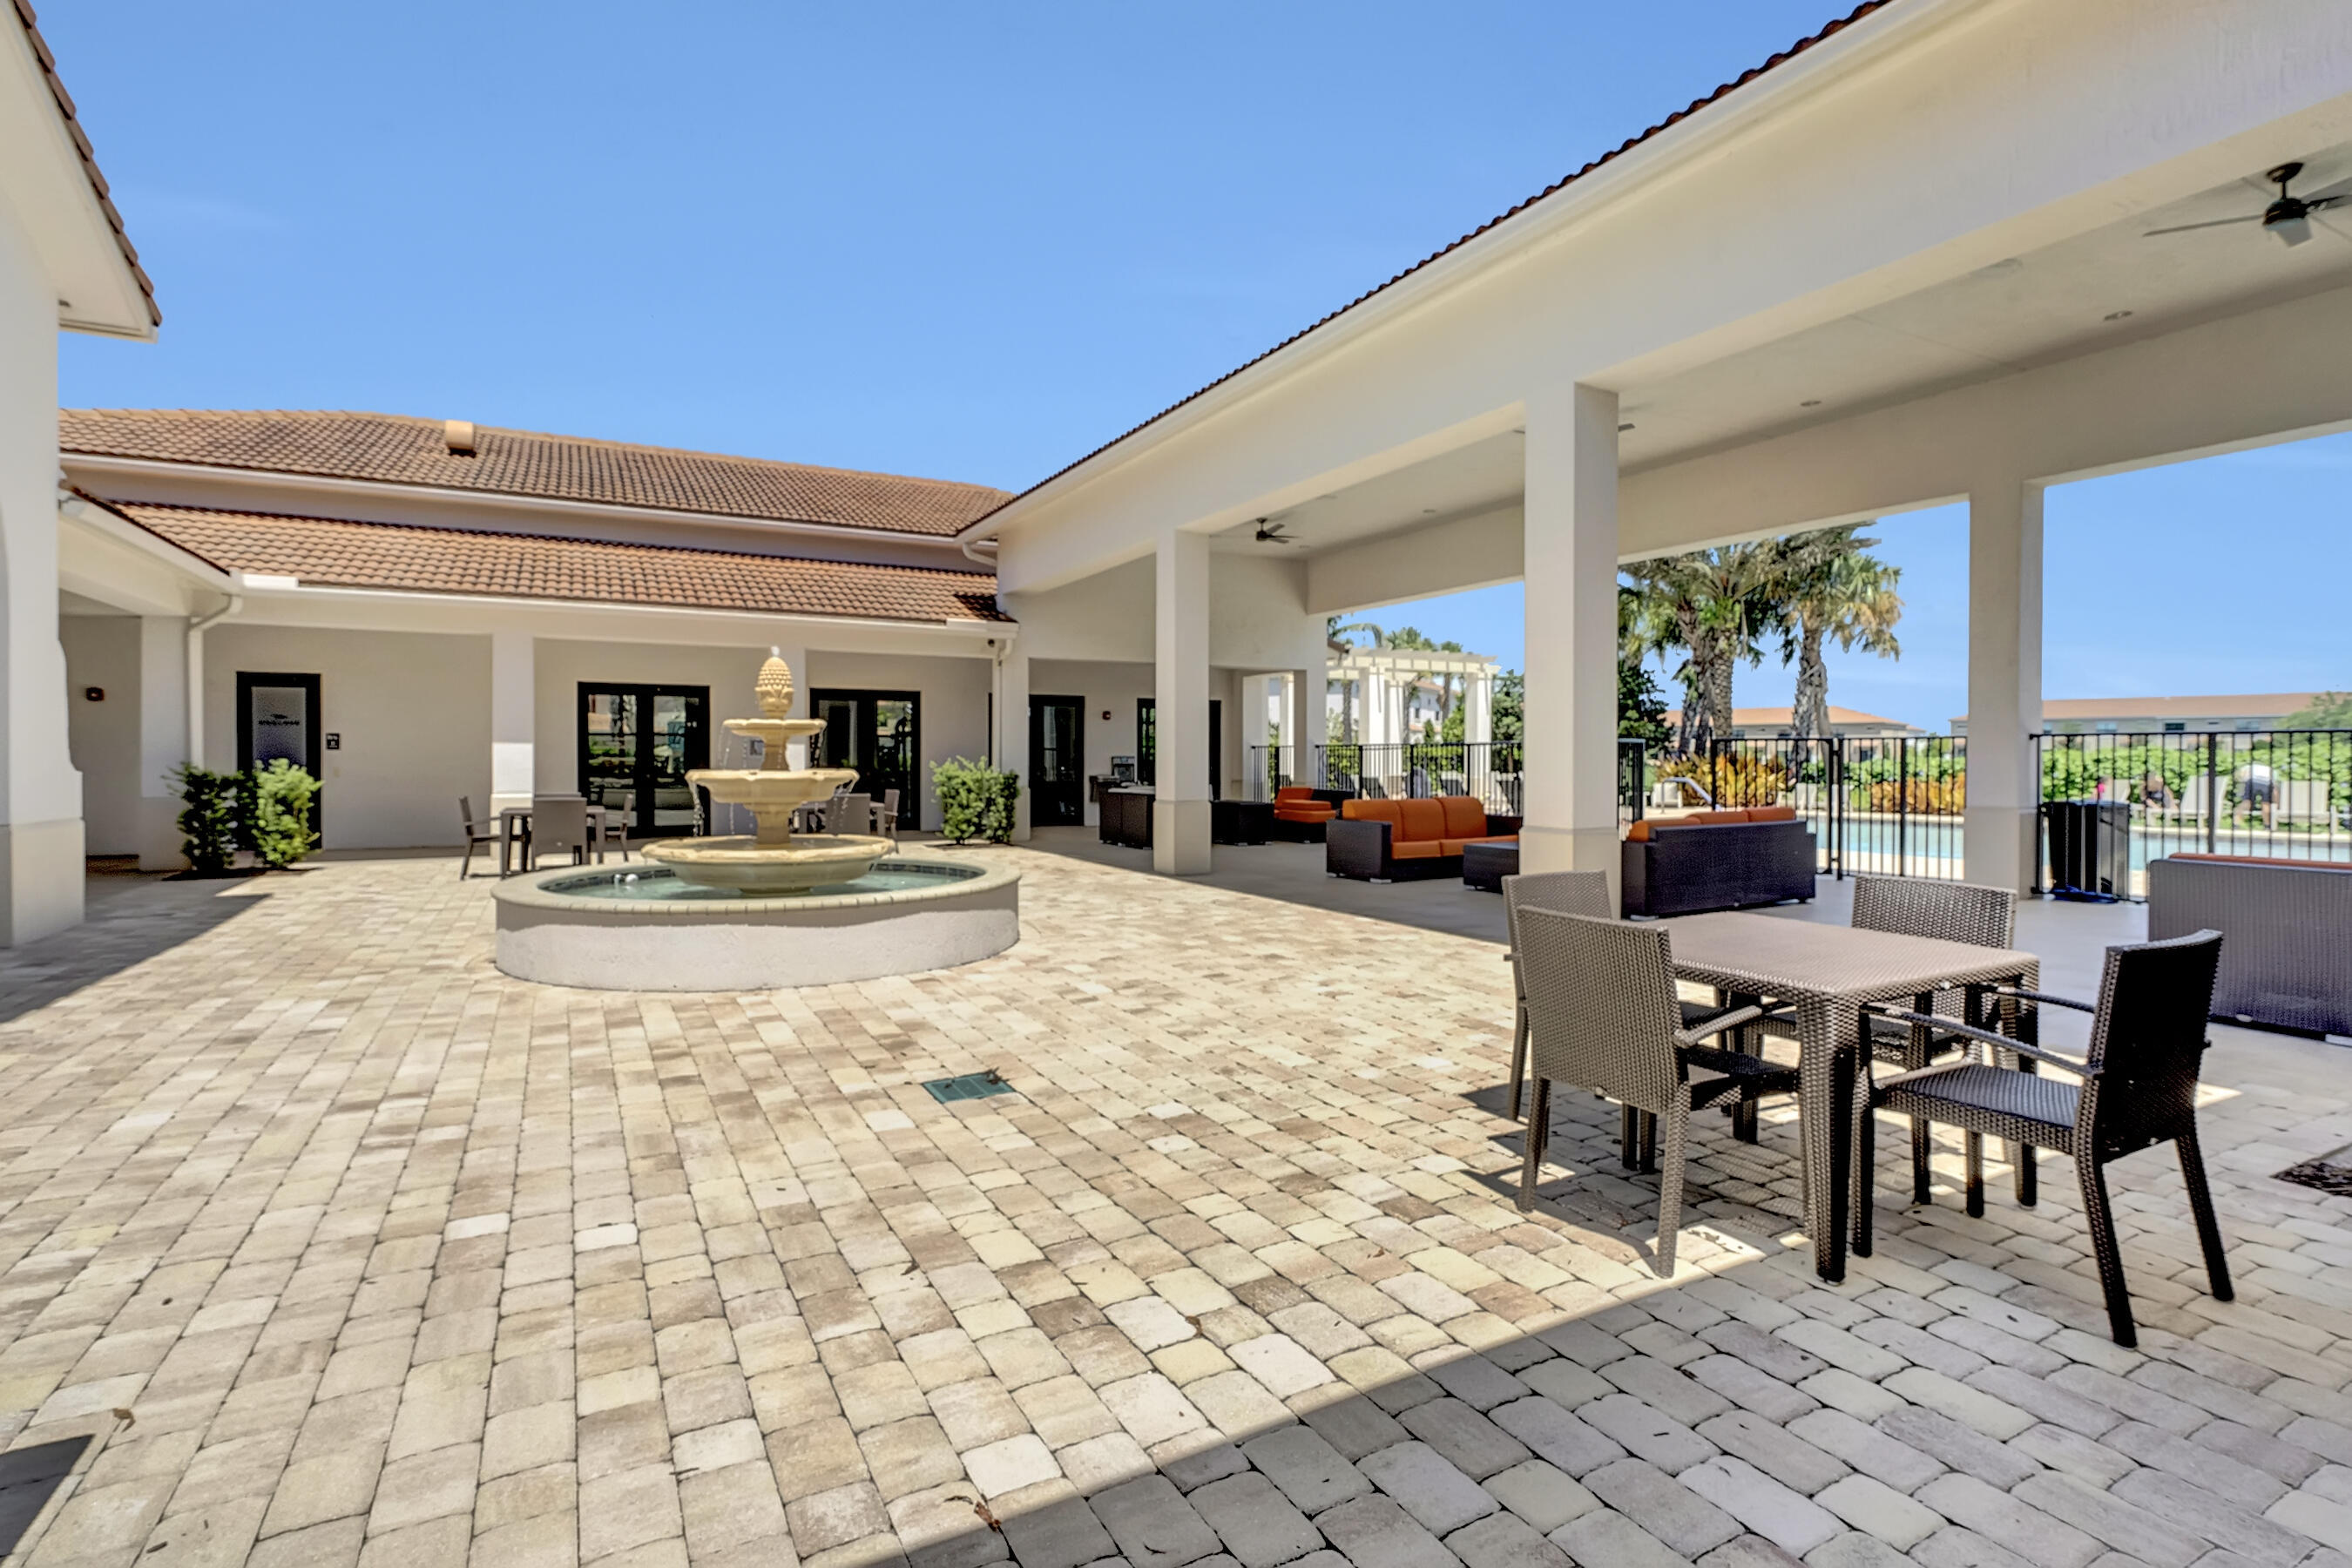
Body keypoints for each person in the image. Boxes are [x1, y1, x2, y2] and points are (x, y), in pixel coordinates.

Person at [2232, 760, 2276, 829]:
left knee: (2247, 802)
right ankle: (2267, 826)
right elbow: (2274, 782)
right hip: (2267, 782)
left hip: (2252, 780)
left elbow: (2241, 776)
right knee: (2265, 804)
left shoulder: (2247, 767)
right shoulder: (2269, 768)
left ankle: (2236, 824)